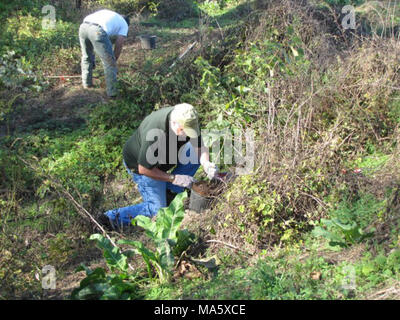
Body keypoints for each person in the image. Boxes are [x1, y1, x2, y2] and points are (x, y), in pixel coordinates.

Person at [100, 103, 218, 230]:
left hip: (164, 159)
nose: (187, 135)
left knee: (194, 155)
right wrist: (175, 178)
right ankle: (110, 218)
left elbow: (199, 147)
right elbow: (144, 168)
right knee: (156, 210)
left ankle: (169, 192)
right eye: (184, 131)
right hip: (144, 167)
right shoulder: (156, 131)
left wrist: (206, 163)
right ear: (174, 123)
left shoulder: (189, 121)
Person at [79, 9, 129, 97]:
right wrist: (113, 60)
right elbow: (119, 44)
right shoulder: (124, 24)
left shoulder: (111, 14)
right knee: (109, 62)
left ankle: (86, 84)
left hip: (83, 26)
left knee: (86, 56)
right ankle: (112, 93)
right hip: (97, 30)